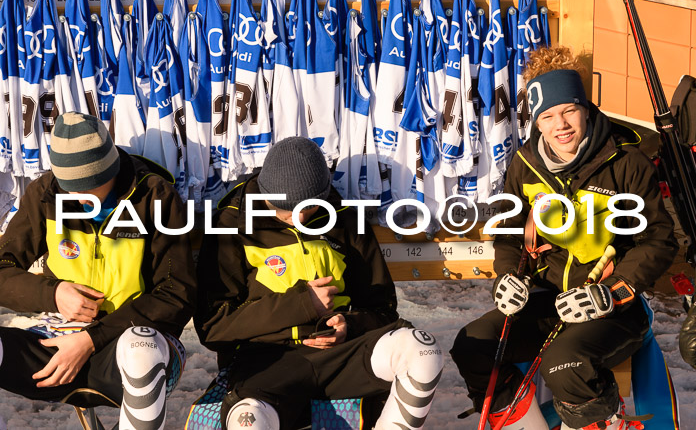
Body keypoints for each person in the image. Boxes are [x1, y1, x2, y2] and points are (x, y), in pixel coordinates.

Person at [450, 47, 678, 430]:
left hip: (611, 307)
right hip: (550, 301)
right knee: (472, 345)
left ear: (585, 108)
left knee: (565, 365)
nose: (562, 125)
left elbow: (658, 241)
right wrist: (507, 275)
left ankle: (604, 421)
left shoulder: (626, 163)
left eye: (569, 110)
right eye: (548, 116)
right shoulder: (524, 166)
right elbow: (508, 235)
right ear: (537, 122)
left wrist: (614, 291)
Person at [195, 136, 444, 430]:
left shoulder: (345, 220)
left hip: (343, 355)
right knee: (247, 422)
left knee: (422, 350)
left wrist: (349, 324)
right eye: (285, 210)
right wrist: (302, 305)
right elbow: (213, 326)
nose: (298, 218)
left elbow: (383, 308)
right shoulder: (232, 225)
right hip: (267, 361)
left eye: (308, 209)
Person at [0, 112, 196, 429]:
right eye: (69, 189)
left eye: (86, 188)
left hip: (132, 344)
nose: (76, 199)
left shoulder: (155, 198)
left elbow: (177, 293)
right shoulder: (46, 193)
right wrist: (53, 294)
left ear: (110, 171)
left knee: (141, 348)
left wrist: (92, 339)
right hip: (56, 343)